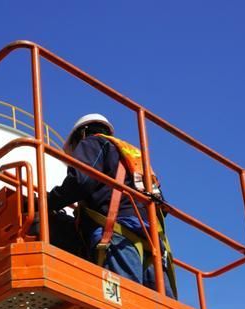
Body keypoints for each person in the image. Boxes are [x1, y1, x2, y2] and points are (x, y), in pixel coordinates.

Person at [45, 113, 176, 298]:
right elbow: (161, 203)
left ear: (82, 134)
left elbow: (81, 181)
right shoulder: (134, 155)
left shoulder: (92, 143)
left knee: (125, 303)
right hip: (152, 241)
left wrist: (47, 202)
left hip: (118, 236)